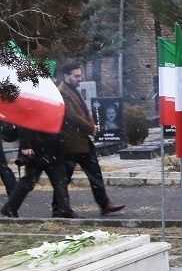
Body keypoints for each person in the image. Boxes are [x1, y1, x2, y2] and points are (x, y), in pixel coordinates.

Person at [57, 62, 125, 216]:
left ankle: (104, 203)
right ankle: (58, 207)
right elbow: (71, 116)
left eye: (80, 75)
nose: (80, 78)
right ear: (66, 76)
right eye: (76, 76)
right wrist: (90, 127)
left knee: (95, 172)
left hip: (82, 141)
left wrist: (92, 126)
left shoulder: (74, 89)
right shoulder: (62, 91)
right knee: (64, 177)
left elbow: (84, 111)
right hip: (71, 142)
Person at [1, 126, 79, 218]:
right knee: (55, 181)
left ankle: (10, 208)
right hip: (39, 148)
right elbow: (25, 125)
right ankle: (64, 210)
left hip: (47, 147)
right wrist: (26, 145)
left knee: (57, 181)